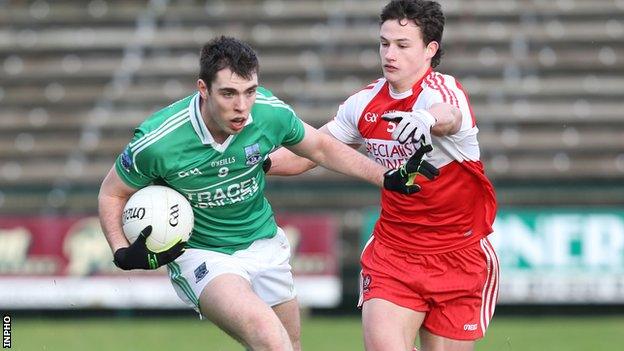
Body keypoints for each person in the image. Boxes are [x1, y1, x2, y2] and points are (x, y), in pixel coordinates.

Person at [98, 35, 437, 351]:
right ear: (203, 88)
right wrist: (121, 250)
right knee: (270, 337)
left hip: (264, 243)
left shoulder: (269, 113)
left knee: (286, 346)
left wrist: (386, 176)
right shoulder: (159, 141)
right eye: (229, 93)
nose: (242, 106)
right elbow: (112, 193)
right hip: (203, 255)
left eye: (250, 91)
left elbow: (320, 148)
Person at [266, 1, 499, 350]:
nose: (389, 53)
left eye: (402, 45)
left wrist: (426, 120)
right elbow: (311, 151)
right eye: (384, 43)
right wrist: (253, 162)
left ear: (429, 50)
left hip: (459, 254)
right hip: (395, 253)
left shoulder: (443, 91)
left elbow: (449, 114)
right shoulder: (364, 104)